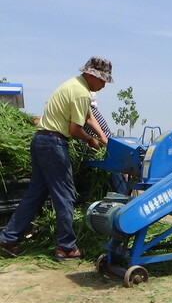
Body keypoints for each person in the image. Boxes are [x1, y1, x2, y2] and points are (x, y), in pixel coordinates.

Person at [0, 56, 114, 260]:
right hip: (54, 144)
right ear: (91, 75)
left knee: (35, 193)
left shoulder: (74, 85)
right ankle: (66, 247)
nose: (104, 85)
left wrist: (105, 140)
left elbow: (89, 117)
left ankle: (8, 238)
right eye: (103, 80)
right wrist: (91, 140)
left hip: (41, 141)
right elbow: (75, 129)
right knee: (65, 196)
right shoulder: (80, 93)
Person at [83, 92, 129, 195]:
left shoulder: (90, 113)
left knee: (113, 173)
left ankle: (122, 199)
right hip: (106, 148)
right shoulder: (93, 111)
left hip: (105, 149)